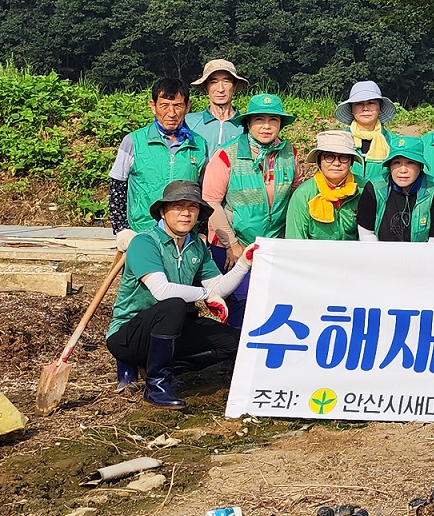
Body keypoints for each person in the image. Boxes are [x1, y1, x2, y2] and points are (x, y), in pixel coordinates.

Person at [106, 181, 249, 409]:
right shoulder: (144, 242)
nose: (186, 213)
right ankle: (157, 386)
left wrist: (243, 263)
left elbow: (218, 288)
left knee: (234, 342)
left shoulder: (197, 246)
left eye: (192, 207)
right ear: (163, 211)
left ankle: (156, 366)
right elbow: (161, 291)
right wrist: (205, 294)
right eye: (178, 206)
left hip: (172, 329)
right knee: (173, 305)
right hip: (129, 334)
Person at [200, 93, 299, 326]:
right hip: (233, 245)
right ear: (248, 123)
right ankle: (233, 358)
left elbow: (295, 191)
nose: (266, 126)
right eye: (259, 120)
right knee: (241, 305)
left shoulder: (289, 153)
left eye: (273, 120)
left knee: (270, 304)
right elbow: (212, 202)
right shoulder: (227, 154)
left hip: (272, 245)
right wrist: (232, 244)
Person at [109, 78, 208, 238]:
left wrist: (202, 231)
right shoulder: (134, 141)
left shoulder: (199, 145)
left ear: (188, 106)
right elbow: (117, 188)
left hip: (184, 235)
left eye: (178, 106)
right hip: (141, 232)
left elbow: (204, 192)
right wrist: (122, 230)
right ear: (153, 106)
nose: (171, 113)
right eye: (164, 106)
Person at [357, 135, 434, 242]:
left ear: (420, 166)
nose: (403, 170)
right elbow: (366, 232)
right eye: (397, 163)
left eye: (410, 163)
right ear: (389, 166)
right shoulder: (374, 188)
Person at [286, 130, 364, 241]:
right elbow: (295, 240)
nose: (336, 163)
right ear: (319, 161)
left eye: (344, 157)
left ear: (351, 162)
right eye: (329, 157)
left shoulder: (364, 189)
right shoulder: (303, 195)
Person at [335, 80, 398, 189]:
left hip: (382, 203)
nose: (365, 108)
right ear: (351, 109)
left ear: (380, 107)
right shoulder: (339, 141)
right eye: (359, 103)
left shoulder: (393, 142)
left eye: (371, 103)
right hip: (347, 202)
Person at [186, 59, 248, 154]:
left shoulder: (247, 125)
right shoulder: (189, 122)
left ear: (234, 86)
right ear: (205, 87)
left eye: (226, 81)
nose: (220, 89)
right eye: (213, 82)